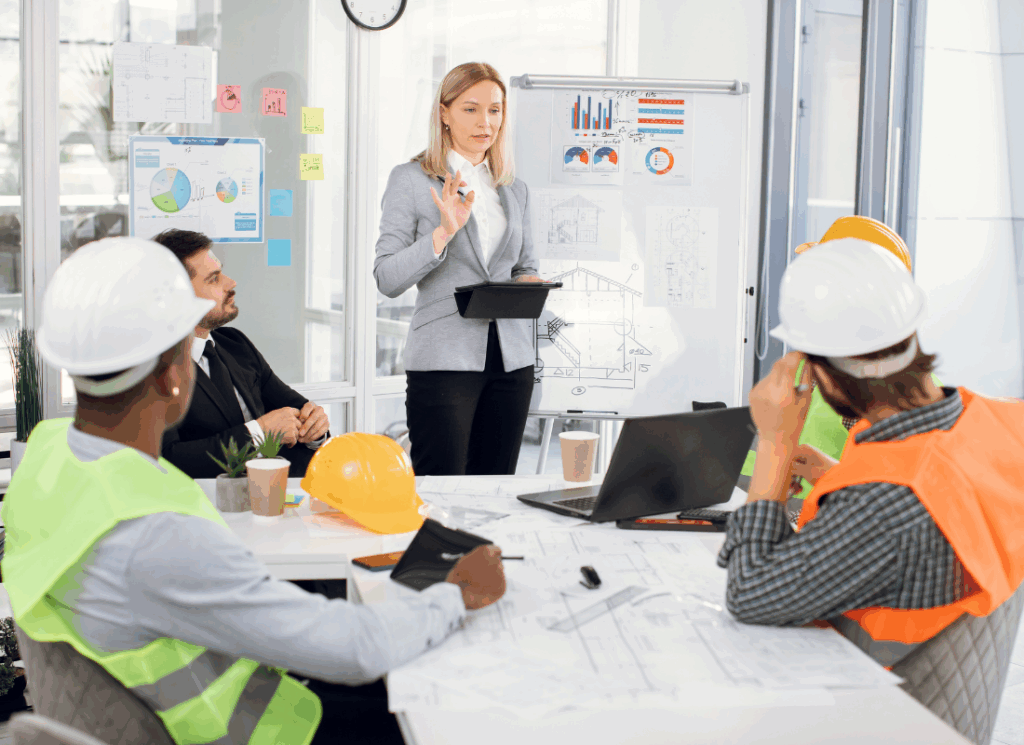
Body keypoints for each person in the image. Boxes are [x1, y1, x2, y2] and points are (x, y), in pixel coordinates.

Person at [2, 237, 507, 745]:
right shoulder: (156, 531)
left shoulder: (44, 463)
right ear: (174, 378)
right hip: (260, 731)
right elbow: (352, 648)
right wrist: (454, 593)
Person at [718, 237, 1024, 741]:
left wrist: (776, 442)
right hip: (943, 714)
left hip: (868, 719)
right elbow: (940, 491)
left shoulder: (885, 505)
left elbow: (751, 594)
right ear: (910, 334)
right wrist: (835, 474)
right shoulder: (996, 425)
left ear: (822, 377)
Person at [374, 62, 543, 477]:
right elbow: (387, 277)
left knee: (497, 484)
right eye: (471, 109)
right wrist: (442, 233)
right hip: (444, 359)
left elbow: (525, 265)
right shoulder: (412, 180)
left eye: (495, 110)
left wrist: (530, 283)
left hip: (512, 360)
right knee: (442, 487)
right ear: (444, 113)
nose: (485, 122)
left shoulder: (513, 188)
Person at [738, 216, 939, 521]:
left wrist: (821, 471)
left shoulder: (906, 397)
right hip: (790, 504)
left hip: (823, 515)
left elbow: (904, 501)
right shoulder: (824, 365)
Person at [153, 228, 329, 478]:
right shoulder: (152, 367)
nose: (231, 283)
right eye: (214, 279)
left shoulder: (235, 344)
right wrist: (259, 433)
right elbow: (168, 460)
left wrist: (315, 429)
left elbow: (297, 412)